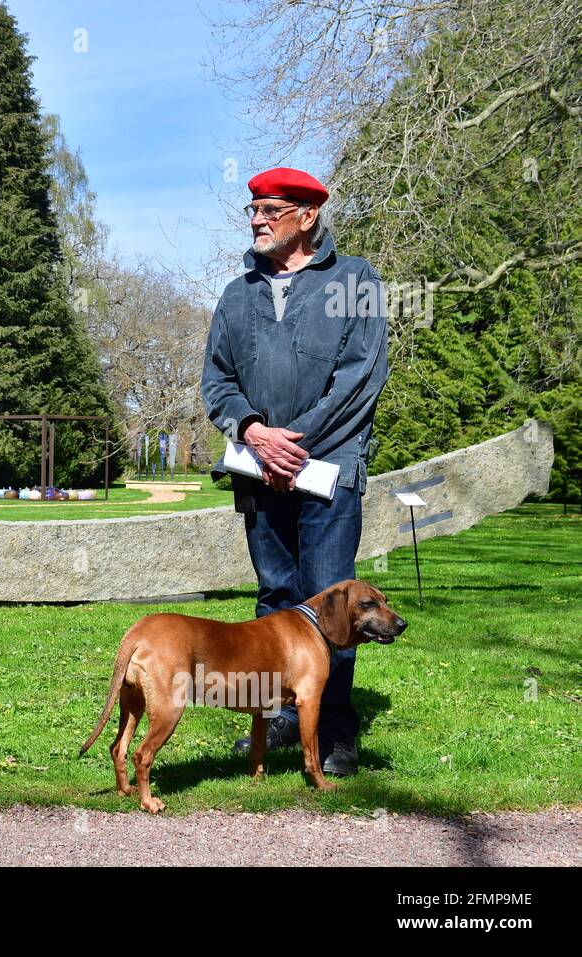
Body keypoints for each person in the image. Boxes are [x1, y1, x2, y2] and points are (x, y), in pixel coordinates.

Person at [201, 167, 390, 776]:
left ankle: (334, 730)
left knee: (334, 600)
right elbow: (217, 381)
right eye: (252, 208)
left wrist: (296, 446)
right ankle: (274, 723)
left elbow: (361, 377)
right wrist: (254, 431)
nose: (256, 219)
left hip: (327, 469)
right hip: (257, 469)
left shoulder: (355, 279)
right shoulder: (237, 294)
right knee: (276, 597)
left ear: (307, 217)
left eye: (270, 209)